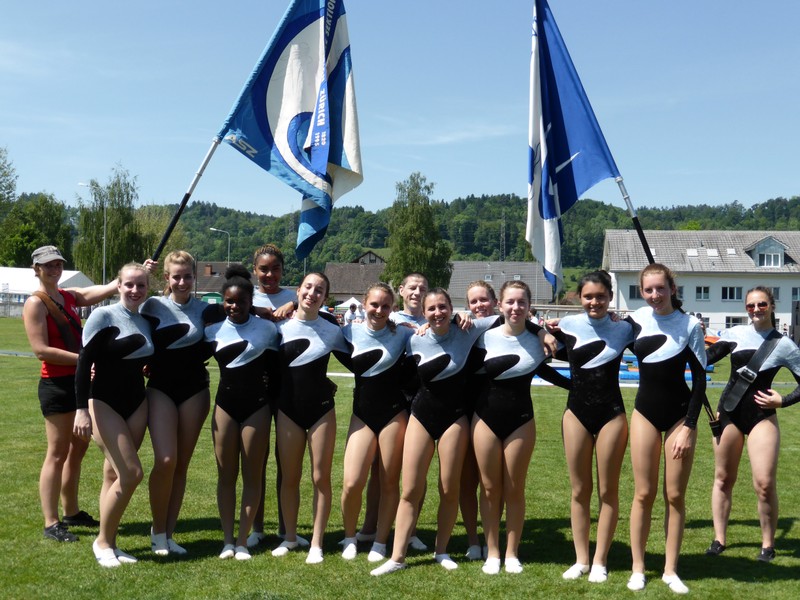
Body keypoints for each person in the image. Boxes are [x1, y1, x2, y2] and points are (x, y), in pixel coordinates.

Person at [371, 288, 495, 576]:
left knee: (448, 489)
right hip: (421, 417)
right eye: (431, 309)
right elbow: (383, 332)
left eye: (443, 307)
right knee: (410, 490)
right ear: (424, 313)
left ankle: (441, 551)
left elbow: (507, 318)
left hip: (454, 419)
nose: (437, 313)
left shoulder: (466, 331)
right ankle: (397, 557)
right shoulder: (414, 338)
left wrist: (543, 332)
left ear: (451, 308)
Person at [23, 245, 119, 542]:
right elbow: (41, 350)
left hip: (78, 382)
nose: (55, 269)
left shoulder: (66, 296)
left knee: (77, 449)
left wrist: (123, 280)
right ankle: (51, 522)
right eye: (48, 265)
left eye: (58, 264)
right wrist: (84, 360)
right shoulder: (35, 303)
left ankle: (72, 511)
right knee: (57, 452)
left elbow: (95, 293)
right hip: (56, 384)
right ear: (37, 269)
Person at [473, 281, 570, 575]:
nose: (515, 307)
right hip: (485, 420)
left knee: (515, 488)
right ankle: (492, 551)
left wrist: (546, 331)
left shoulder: (541, 341)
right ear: (499, 305)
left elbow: (578, 351)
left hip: (521, 421)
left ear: (529, 306)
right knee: (490, 488)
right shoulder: (483, 337)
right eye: (510, 302)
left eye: (521, 302)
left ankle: (512, 552)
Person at [625, 263, 706, 594]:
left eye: (660, 288)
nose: (654, 295)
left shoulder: (690, 325)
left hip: (679, 417)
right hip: (644, 413)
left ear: (673, 288)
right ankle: (638, 567)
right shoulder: (635, 321)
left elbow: (700, 381)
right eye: (648, 290)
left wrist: (689, 426)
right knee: (643, 493)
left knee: (674, 495)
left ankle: (670, 570)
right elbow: (600, 331)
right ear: (642, 292)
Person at [705, 286, 800, 562]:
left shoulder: (784, 344)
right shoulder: (734, 334)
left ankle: (768, 544)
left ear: (771, 306)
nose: (755, 310)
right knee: (723, 479)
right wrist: (692, 335)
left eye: (761, 305)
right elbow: (705, 359)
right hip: (728, 414)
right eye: (750, 306)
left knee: (764, 484)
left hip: (761, 418)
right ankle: (719, 539)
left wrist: (782, 401)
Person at [550, 270, 633, 583]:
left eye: (600, 296)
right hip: (576, 414)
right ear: (579, 298)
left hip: (611, 414)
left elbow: (657, 331)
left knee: (608, 490)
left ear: (610, 297)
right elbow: (532, 334)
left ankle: (600, 560)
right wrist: (542, 333)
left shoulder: (624, 328)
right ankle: (581, 559)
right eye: (588, 296)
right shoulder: (568, 324)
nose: (594, 302)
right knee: (579, 490)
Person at [76, 263, 155, 568]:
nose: (135, 290)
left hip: (136, 403)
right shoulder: (103, 316)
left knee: (113, 474)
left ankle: (110, 541)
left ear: (148, 288)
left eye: (141, 285)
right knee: (132, 473)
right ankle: (102, 542)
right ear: (118, 285)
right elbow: (84, 363)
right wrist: (81, 410)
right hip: (103, 402)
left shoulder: (146, 320)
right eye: (129, 285)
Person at [140, 251, 217, 556]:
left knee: (181, 465)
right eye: (176, 276)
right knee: (166, 460)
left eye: (187, 276)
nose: (182, 282)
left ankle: (168, 535)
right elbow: (126, 320)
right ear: (166, 278)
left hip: (195, 390)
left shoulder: (206, 310)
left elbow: (243, 311)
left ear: (194, 276)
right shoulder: (152, 305)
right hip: (160, 388)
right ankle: (157, 531)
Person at [272, 272, 349, 564]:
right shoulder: (278, 327)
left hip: (321, 411)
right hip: (288, 410)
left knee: (320, 477)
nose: (312, 294)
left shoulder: (332, 330)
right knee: (289, 477)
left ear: (325, 297)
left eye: (319, 290)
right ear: (298, 290)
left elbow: (359, 358)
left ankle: (317, 542)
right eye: (308, 287)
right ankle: (290, 537)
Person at [205, 265, 279, 560]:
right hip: (225, 407)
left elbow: (279, 367)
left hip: (256, 408)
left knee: (252, 476)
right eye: (229, 301)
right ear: (222, 301)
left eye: (241, 302)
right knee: (226, 476)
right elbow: (184, 359)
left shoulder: (267, 329)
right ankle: (227, 540)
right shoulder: (211, 330)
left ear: (252, 302)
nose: (234, 306)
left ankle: (243, 540)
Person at [339, 283, 414, 562]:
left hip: (394, 415)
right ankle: (350, 537)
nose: (379, 310)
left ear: (393, 308)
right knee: (352, 482)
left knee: (388, 482)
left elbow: (434, 333)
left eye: (385, 306)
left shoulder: (403, 334)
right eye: (374, 304)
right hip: (362, 415)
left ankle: (381, 542)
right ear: (364, 304)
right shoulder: (348, 331)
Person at [358, 273, 430, 550]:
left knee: (417, 470)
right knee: (380, 469)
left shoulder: (436, 318)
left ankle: (409, 531)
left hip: (422, 401)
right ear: (401, 290)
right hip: (392, 401)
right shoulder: (390, 319)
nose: (417, 292)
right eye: (412, 287)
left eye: (422, 288)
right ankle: (370, 527)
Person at [245, 244, 305, 549]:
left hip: (287, 385)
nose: (270, 275)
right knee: (256, 460)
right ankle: (256, 527)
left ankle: (286, 526)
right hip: (254, 385)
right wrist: (254, 310)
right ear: (254, 270)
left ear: (283, 270)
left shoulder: (295, 297)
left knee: (287, 462)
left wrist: (294, 304)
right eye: (263, 269)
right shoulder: (246, 298)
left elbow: (318, 309)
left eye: (275, 269)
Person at [460, 280, 500, 560]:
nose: (479, 305)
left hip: (495, 411)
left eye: (483, 300)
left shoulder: (508, 328)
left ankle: (491, 538)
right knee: (467, 480)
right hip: (464, 409)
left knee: (492, 482)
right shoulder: (463, 329)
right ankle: (473, 540)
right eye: (473, 301)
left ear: (495, 302)